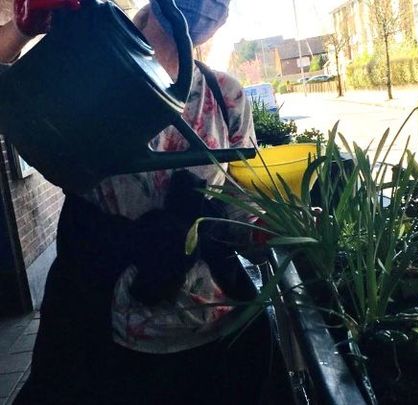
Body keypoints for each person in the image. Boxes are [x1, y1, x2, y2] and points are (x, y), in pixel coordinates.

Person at [10, 0, 290, 403]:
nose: (211, 6)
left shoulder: (225, 95)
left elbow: (238, 209)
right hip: (105, 333)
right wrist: (22, 28)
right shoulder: (94, 71)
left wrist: (277, 230)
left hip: (216, 331)